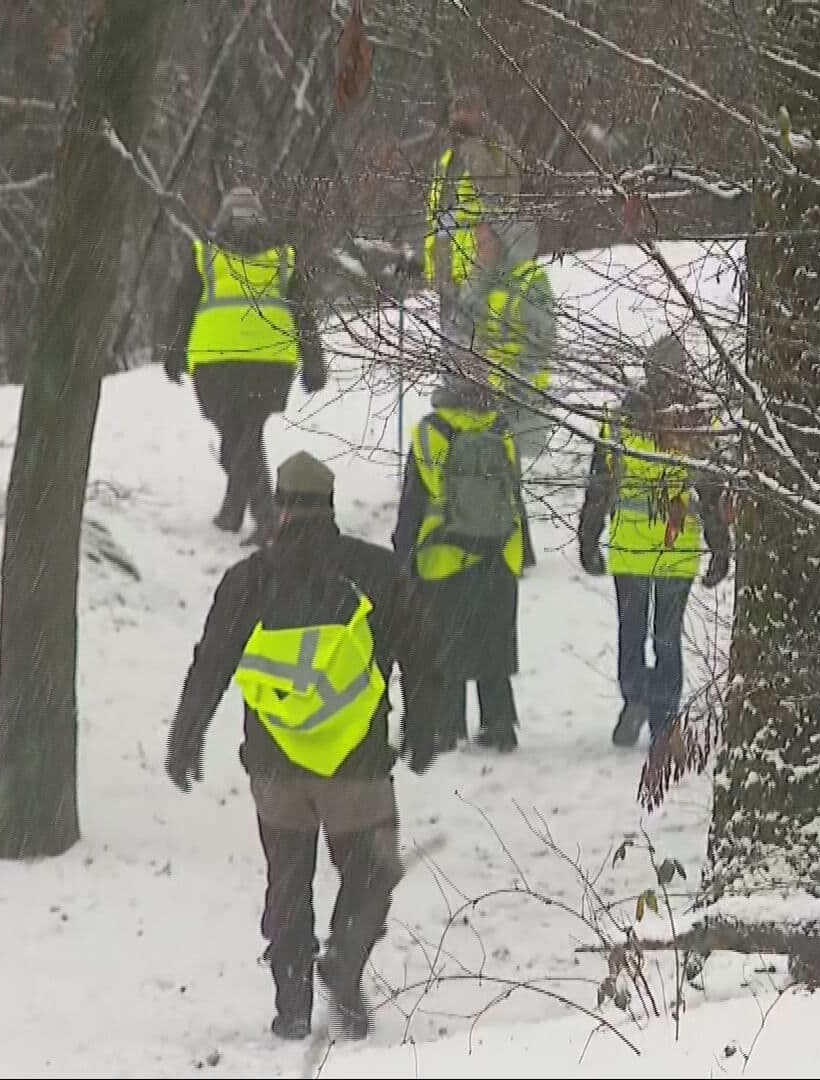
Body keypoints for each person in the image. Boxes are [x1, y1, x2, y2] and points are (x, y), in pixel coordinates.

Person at [166, 451, 438, 1043]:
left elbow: (211, 664)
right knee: (369, 873)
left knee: (287, 881)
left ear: (280, 507)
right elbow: (419, 656)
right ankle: (344, 963)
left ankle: (291, 1003)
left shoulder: (248, 581)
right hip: (357, 766)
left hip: (275, 766)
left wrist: (186, 738)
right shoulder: (379, 572)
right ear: (331, 506)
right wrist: (424, 728)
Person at [578, 352, 732, 753]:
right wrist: (720, 549)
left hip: (630, 550)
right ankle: (664, 722)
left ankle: (637, 696)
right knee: (667, 639)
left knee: (633, 634)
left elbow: (598, 488)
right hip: (677, 549)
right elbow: (713, 496)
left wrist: (588, 538)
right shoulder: (700, 425)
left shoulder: (618, 422)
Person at [163, 186, 327, 547]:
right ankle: (233, 512)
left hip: (217, 363)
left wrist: (174, 354)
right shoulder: (284, 257)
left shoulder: (206, 255)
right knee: (244, 435)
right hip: (271, 364)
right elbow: (302, 313)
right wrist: (314, 362)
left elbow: (183, 306)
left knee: (237, 439)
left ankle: (266, 515)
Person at [392, 372, 533, 754]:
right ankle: (499, 724)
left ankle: (446, 726)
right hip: (498, 554)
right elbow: (513, 492)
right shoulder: (501, 430)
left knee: (444, 643)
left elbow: (413, 501)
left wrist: (402, 556)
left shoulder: (429, 432)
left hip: (444, 555)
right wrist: (524, 551)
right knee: (494, 641)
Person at [425, 86, 525, 332]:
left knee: (480, 354)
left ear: (482, 114)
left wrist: (473, 150)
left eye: (467, 110)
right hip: (449, 276)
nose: (460, 116)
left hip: (483, 272)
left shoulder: (498, 148)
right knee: (451, 359)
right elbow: (437, 216)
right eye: (456, 110)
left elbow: (504, 198)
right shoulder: (447, 158)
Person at [462, 218, 558, 471]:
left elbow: (543, 340)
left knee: (526, 475)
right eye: (477, 244)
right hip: (490, 400)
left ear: (503, 243)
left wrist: (517, 381)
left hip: (524, 400)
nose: (478, 251)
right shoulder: (488, 282)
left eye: (484, 243)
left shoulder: (531, 280)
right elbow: (466, 325)